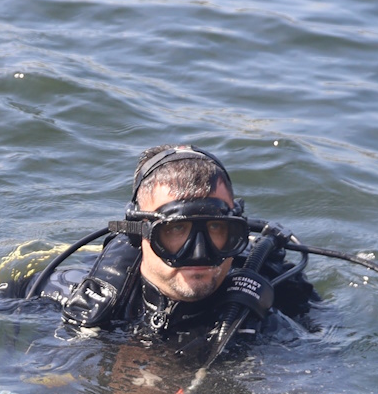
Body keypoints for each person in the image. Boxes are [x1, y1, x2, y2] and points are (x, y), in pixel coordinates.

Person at [44, 144, 316, 348]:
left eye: (216, 229)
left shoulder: (274, 310)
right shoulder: (73, 296)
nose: (199, 254)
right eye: (175, 230)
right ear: (138, 233)